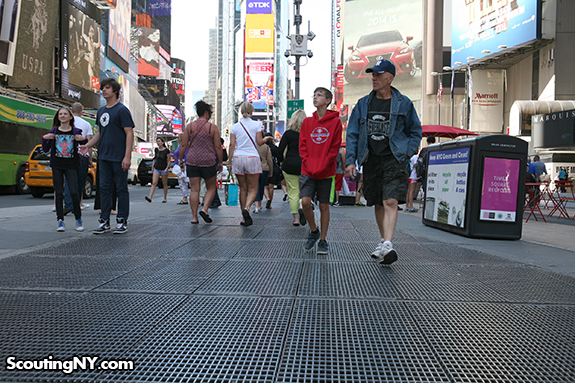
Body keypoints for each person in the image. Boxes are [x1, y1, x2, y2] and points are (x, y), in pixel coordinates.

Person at [345, 59, 422, 265]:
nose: (374, 78)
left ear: (390, 77)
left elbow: (415, 131)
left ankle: (388, 244)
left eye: (378, 75)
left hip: (394, 158)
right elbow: (352, 133)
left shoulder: (403, 103)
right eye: (372, 74)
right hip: (370, 159)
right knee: (378, 202)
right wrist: (351, 160)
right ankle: (383, 240)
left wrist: (408, 151)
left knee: (390, 200)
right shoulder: (363, 104)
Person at [80, 77, 135, 234]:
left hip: (118, 157)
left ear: (116, 91)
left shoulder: (122, 110)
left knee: (121, 188)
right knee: (103, 189)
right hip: (103, 157)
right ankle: (104, 221)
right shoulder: (101, 111)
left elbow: (129, 133)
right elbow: (100, 133)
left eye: (107, 88)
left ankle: (122, 220)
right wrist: (88, 145)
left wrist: (127, 156)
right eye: (103, 88)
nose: (103, 90)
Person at [299, 87, 343, 254]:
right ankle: (314, 230)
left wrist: (325, 163)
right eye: (314, 95)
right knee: (305, 202)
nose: (315, 98)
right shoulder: (307, 122)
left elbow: (334, 146)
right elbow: (302, 145)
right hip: (308, 169)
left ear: (328, 101)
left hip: (326, 170)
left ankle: (323, 240)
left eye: (320, 95)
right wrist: (308, 162)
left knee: (324, 205)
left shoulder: (335, 122)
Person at [42, 107, 87, 232]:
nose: (62, 116)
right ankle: (60, 220)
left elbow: (85, 144)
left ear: (70, 117)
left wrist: (82, 139)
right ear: (58, 117)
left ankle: (78, 218)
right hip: (57, 165)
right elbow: (45, 149)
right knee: (59, 193)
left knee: (74, 192)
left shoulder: (76, 131)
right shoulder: (54, 131)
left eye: (65, 114)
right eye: (60, 114)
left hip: (71, 165)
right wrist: (45, 138)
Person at [179, 100, 223, 224]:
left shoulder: (189, 127)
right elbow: (218, 147)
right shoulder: (212, 128)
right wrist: (220, 162)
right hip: (208, 162)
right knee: (211, 187)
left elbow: (183, 145)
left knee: (194, 189)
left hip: (192, 161)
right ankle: (204, 209)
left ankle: (194, 217)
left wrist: (180, 159)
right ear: (206, 113)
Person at [228, 102, 269, 226]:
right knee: (253, 189)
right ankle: (247, 208)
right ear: (252, 112)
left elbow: (231, 145)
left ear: (241, 112)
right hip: (252, 157)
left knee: (243, 189)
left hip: (238, 157)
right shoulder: (257, 124)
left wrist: (229, 161)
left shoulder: (235, 126)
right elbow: (259, 142)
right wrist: (267, 139)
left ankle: (245, 218)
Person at [278, 109, 307, 226]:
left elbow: (280, 149)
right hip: (305, 164)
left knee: (293, 191)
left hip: (289, 164)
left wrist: (281, 162)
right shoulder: (308, 134)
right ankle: (301, 205)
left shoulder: (288, 133)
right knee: (304, 190)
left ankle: (296, 219)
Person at [64, 102, 93, 213]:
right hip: (82, 155)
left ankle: (68, 204)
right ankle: (77, 204)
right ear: (81, 111)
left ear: (71, 111)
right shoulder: (86, 124)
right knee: (80, 181)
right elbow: (89, 143)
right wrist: (90, 159)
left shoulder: (68, 122)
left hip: (69, 154)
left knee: (68, 180)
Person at [145, 138, 171, 203]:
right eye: (157, 141)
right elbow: (155, 158)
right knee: (154, 182)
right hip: (157, 167)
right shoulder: (156, 150)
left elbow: (169, 160)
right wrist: (153, 166)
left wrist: (167, 168)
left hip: (164, 168)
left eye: (159, 141)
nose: (158, 143)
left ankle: (165, 198)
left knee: (164, 183)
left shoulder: (166, 151)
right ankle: (150, 197)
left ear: (162, 142)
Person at [253, 135, 273, 214]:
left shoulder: (253, 145)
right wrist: (271, 171)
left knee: (255, 187)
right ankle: (259, 204)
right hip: (264, 168)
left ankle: (257, 206)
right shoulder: (266, 147)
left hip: (254, 169)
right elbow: (269, 160)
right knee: (262, 187)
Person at [264, 132, 281, 209]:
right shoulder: (274, 148)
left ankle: (267, 198)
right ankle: (270, 201)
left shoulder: (263, 147)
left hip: (265, 167)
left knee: (264, 186)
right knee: (271, 187)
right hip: (274, 168)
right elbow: (279, 157)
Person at [173, 133, 189, 205]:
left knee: (183, 182)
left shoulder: (184, 146)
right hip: (179, 166)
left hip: (182, 166)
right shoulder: (180, 146)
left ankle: (185, 198)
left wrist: (183, 165)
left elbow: (186, 155)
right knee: (182, 182)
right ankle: (185, 197)